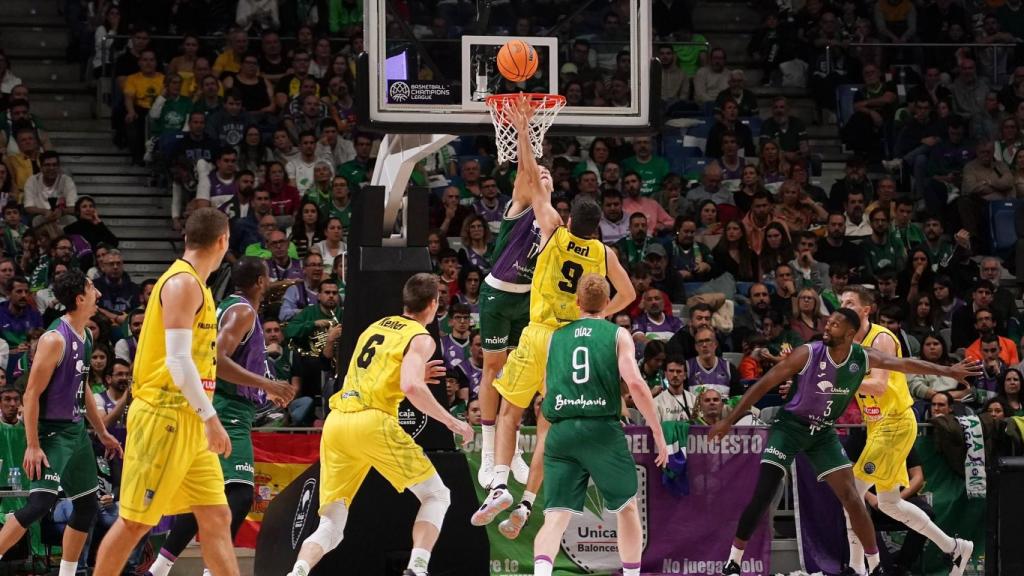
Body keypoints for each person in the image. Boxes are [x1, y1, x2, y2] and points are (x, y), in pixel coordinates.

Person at [712, 308, 980, 576]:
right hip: (791, 428)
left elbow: (906, 364)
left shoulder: (863, 358)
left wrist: (949, 370)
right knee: (764, 493)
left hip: (824, 433)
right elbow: (763, 384)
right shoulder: (808, 353)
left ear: (850, 334)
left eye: (835, 325)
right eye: (828, 323)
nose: (827, 328)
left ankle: (873, 567)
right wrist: (730, 420)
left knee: (854, 497)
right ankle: (733, 562)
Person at [473, 98, 635, 537]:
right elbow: (631, 293)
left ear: (569, 217)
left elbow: (531, 177)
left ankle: (501, 484)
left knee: (510, 413)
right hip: (570, 339)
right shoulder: (604, 254)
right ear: (598, 226)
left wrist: (524, 129)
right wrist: (596, 313)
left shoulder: (552, 230)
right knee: (548, 423)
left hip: (538, 332)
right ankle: (527, 505)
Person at [287, 274, 473, 576]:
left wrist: (407, 376)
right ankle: (417, 568)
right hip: (372, 421)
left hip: (337, 424)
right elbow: (411, 387)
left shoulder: (376, 326)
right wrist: (454, 422)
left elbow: (377, 373)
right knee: (437, 495)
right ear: (434, 304)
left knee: (332, 523)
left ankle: (298, 571)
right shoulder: (421, 337)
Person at [93, 208, 239, 576]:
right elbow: (177, 361)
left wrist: (203, 417)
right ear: (223, 241)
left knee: (217, 515)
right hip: (165, 415)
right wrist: (212, 418)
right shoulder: (182, 284)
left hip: (190, 417)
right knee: (135, 522)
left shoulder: (199, 286)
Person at [148, 257, 295, 576]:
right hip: (226, 410)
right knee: (240, 495)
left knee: (209, 494)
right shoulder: (242, 311)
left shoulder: (231, 305)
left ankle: (158, 570)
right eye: (267, 279)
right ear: (259, 282)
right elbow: (218, 359)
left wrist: (261, 390)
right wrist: (265, 383)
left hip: (227, 406)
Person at [531, 274, 668, 576]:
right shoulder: (617, 335)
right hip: (600, 430)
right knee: (627, 507)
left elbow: (547, 387)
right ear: (607, 303)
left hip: (562, 430)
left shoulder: (555, 337)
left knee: (556, 516)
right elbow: (634, 382)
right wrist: (657, 431)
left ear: (577, 302)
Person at [840, 286, 976, 576]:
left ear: (866, 309)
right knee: (890, 503)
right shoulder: (849, 342)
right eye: (840, 302)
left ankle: (856, 568)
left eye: (849, 302)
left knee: (851, 492)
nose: (843, 306)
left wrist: (840, 380)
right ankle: (954, 547)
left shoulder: (882, 339)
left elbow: (877, 385)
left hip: (895, 423)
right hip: (878, 424)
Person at [0, 269, 121, 576]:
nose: (99, 294)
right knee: (39, 504)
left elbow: (83, 392)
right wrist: (33, 445)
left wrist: (103, 432)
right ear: (80, 298)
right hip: (51, 432)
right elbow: (30, 395)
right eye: (93, 288)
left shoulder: (88, 334)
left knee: (87, 507)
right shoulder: (55, 339)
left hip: (76, 431)